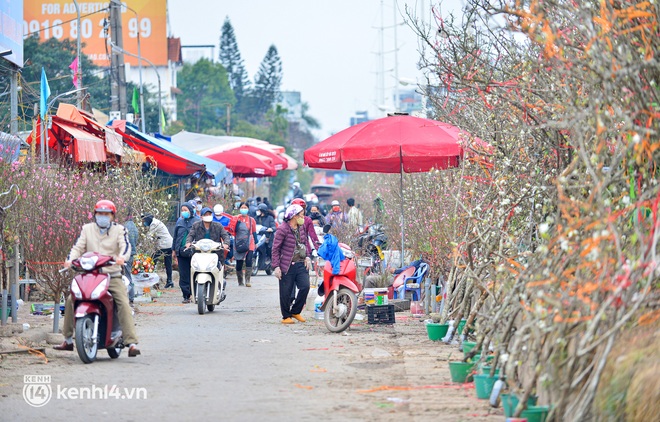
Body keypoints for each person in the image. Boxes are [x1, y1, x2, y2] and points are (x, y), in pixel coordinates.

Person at [55, 200, 141, 357]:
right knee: (70, 299)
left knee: (122, 302)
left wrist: (122, 257)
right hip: (90, 274)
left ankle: (131, 342)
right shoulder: (87, 229)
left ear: (112, 216)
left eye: (106, 214)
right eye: (100, 214)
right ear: (95, 215)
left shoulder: (120, 230)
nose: (103, 217)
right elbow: (77, 247)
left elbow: (126, 247)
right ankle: (67, 340)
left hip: (112, 275)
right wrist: (70, 260)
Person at [271, 204, 312, 324]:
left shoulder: (302, 227)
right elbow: (275, 249)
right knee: (286, 292)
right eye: (301, 214)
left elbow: (305, 243)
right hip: (287, 265)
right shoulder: (282, 229)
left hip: (300, 263)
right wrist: (276, 267)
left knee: (305, 286)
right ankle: (286, 316)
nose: (303, 217)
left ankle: (296, 311)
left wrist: (307, 257)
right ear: (294, 216)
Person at [188, 208, 230, 294]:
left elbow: (225, 235)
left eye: (209, 214)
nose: (208, 216)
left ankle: (219, 284)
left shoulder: (218, 226)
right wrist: (188, 243)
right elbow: (190, 235)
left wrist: (225, 244)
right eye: (205, 214)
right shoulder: (196, 225)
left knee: (218, 269)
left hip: (215, 253)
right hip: (200, 254)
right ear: (201, 216)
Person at [172, 202, 200, 303]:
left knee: (195, 273)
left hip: (194, 252)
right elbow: (175, 237)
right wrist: (174, 250)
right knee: (183, 274)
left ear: (191, 211)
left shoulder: (197, 222)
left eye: (186, 210)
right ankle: (186, 295)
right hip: (181, 252)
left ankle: (196, 293)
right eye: (182, 210)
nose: (184, 212)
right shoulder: (179, 222)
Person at [141, 212, 174, 288]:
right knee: (168, 263)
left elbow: (149, 236)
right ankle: (169, 281)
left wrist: (142, 244)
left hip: (164, 245)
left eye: (144, 221)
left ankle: (151, 279)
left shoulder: (154, 224)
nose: (144, 223)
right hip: (168, 244)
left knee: (152, 260)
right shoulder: (156, 222)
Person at [234, 201, 258, 287]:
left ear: (248, 209)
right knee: (239, 262)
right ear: (239, 209)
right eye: (242, 208)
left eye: (245, 208)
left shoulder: (252, 220)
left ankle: (248, 280)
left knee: (249, 260)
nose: (243, 209)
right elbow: (233, 230)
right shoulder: (236, 219)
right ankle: (240, 281)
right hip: (239, 242)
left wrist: (256, 242)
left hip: (250, 242)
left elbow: (254, 232)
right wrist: (237, 222)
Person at [123, 206, 139, 304]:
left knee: (126, 276)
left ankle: (130, 297)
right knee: (128, 275)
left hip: (124, 254)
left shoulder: (124, 226)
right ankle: (131, 296)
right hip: (131, 253)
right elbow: (135, 240)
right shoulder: (133, 225)